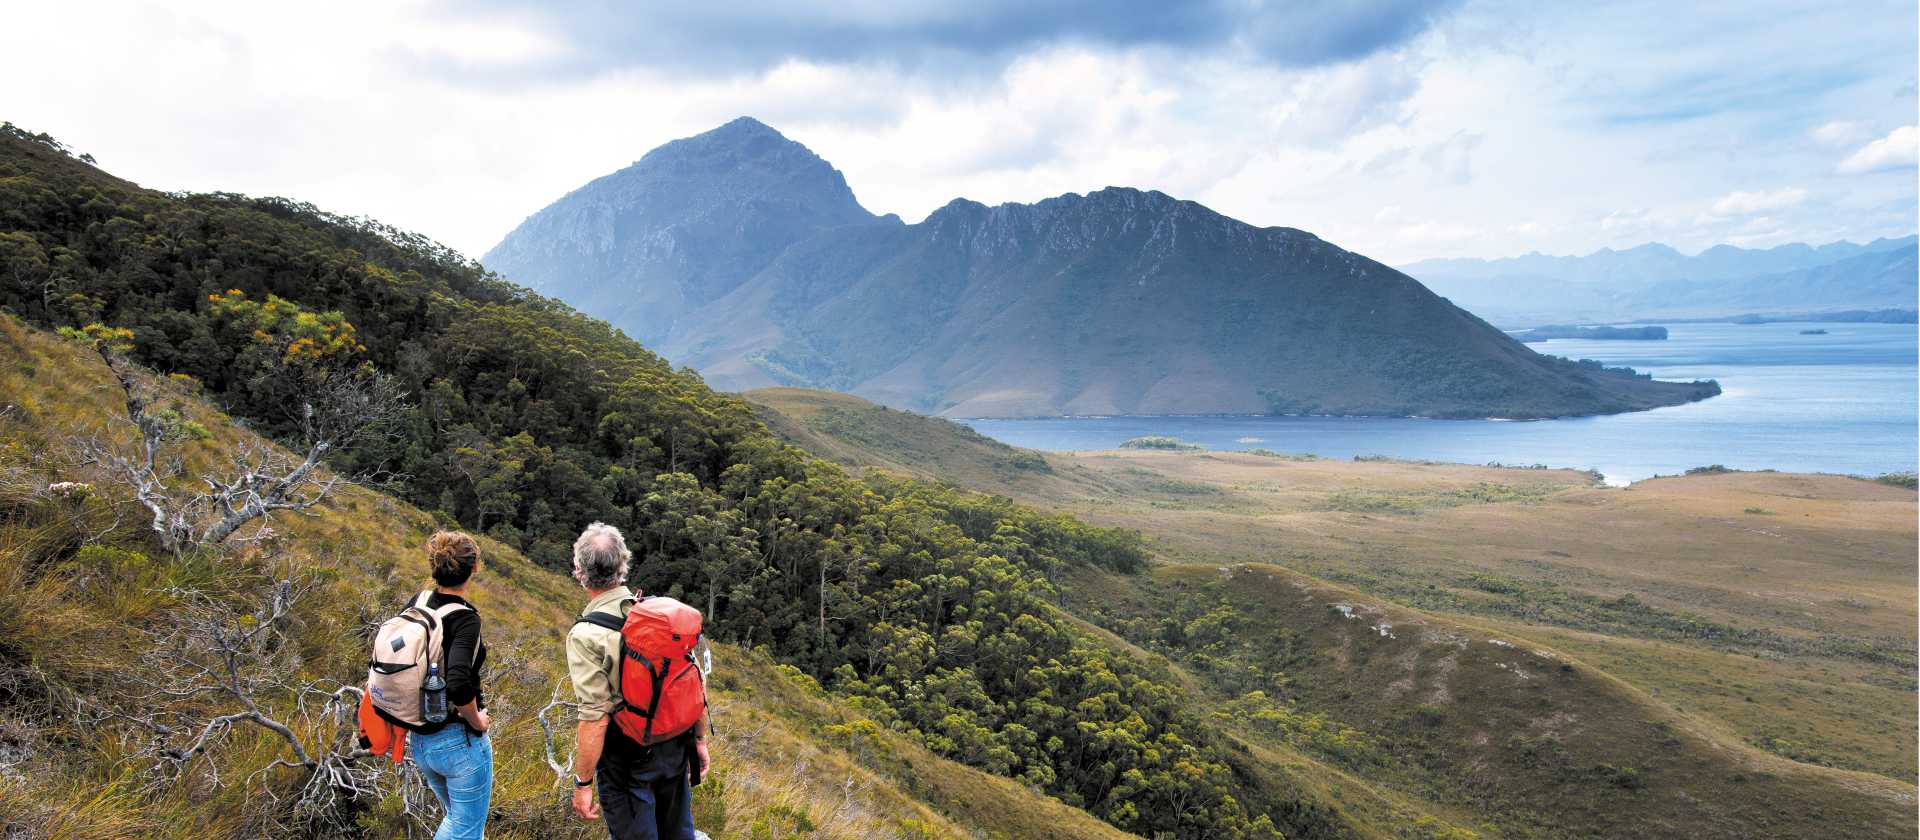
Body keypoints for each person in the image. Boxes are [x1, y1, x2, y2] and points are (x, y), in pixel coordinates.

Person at [566, 522, 710, 840]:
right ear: (624, 565)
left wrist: (583, 783)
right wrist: (699, 742)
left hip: (627, 762)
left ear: (579, 570)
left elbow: (595, 717)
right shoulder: (657, 615)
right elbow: (693, 679)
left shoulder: (586, 636)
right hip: (674, 748)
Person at [404, 531, 494, 840]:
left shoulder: (418, 601)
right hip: (459, 742)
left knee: (459, 821)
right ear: (474, 568)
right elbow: (457, 683)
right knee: (464, 830)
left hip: (421, 740)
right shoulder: (465, 618)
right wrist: (476, 720)